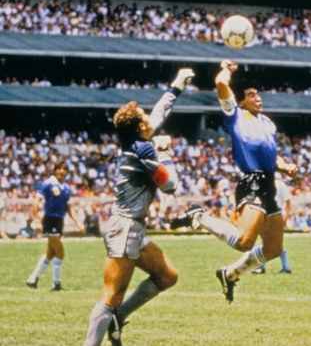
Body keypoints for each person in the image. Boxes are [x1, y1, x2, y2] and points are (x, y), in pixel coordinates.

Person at [170, 60, 298, 303]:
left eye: (258, 94)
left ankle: (229, 274)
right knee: (243, 242)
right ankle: (199, 216)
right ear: (240, 101)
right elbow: (220, 82)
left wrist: (284, 166)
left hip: (269, 184)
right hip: (252, 182)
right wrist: (228, 69)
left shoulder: (267, 123)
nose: (258, 99)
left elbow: (272, 153)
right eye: (251, 95)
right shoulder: (235, 114)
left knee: (273, 250)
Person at [83, 68, 194, 346]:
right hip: (125, 227)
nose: (150, 118)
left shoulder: (138, 140)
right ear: (141, 128)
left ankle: (118, 317)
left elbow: (158, 112)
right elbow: (171, 186)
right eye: (145, 118)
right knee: (110, 296)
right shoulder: (144, 151)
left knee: (167, 275)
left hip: (132, 226)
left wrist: (177, 85)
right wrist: (166, 154)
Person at [26, 162, 85, 291]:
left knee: (50, 253)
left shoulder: (66, 187)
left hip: (59, 220)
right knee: (60, 252)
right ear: (55, 170)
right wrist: (37, 220)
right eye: (59, 169)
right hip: (50, 220)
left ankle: (32, 279)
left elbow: (68, 207)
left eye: (64, 169)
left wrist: (77, 222)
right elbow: (36, 202)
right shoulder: (48, 184)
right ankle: (55, 284)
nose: (61, 171)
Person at [251, 173, 293, 274]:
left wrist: (286, 216)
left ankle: (262, 267)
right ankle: (285, 267)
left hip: (276, 215)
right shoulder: (262, 185)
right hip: (267, 216)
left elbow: (287, 201)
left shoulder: (279, 185)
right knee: (271, 242)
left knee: (271, 242)